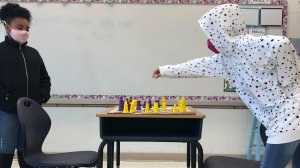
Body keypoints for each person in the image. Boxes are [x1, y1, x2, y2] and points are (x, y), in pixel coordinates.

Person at [153, 4, 300, 168]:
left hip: (287, 118)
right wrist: (165, 70)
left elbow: (282, 45)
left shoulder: (259, 44)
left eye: (212, 34)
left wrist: (289, 83)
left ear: (220, 31)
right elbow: (196, 66)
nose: (210, 40)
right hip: (279, 119)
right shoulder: (224, 60)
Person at [0, 3, 51, 168]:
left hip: (30, 113)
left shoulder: (33, 53)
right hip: (7, 112)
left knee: (27, 150)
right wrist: (5, 97)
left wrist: (42, 96)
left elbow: (45, 78)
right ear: (7, 27)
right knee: (5, 148)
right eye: (19, 27)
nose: (24, 31)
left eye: (27, 28)